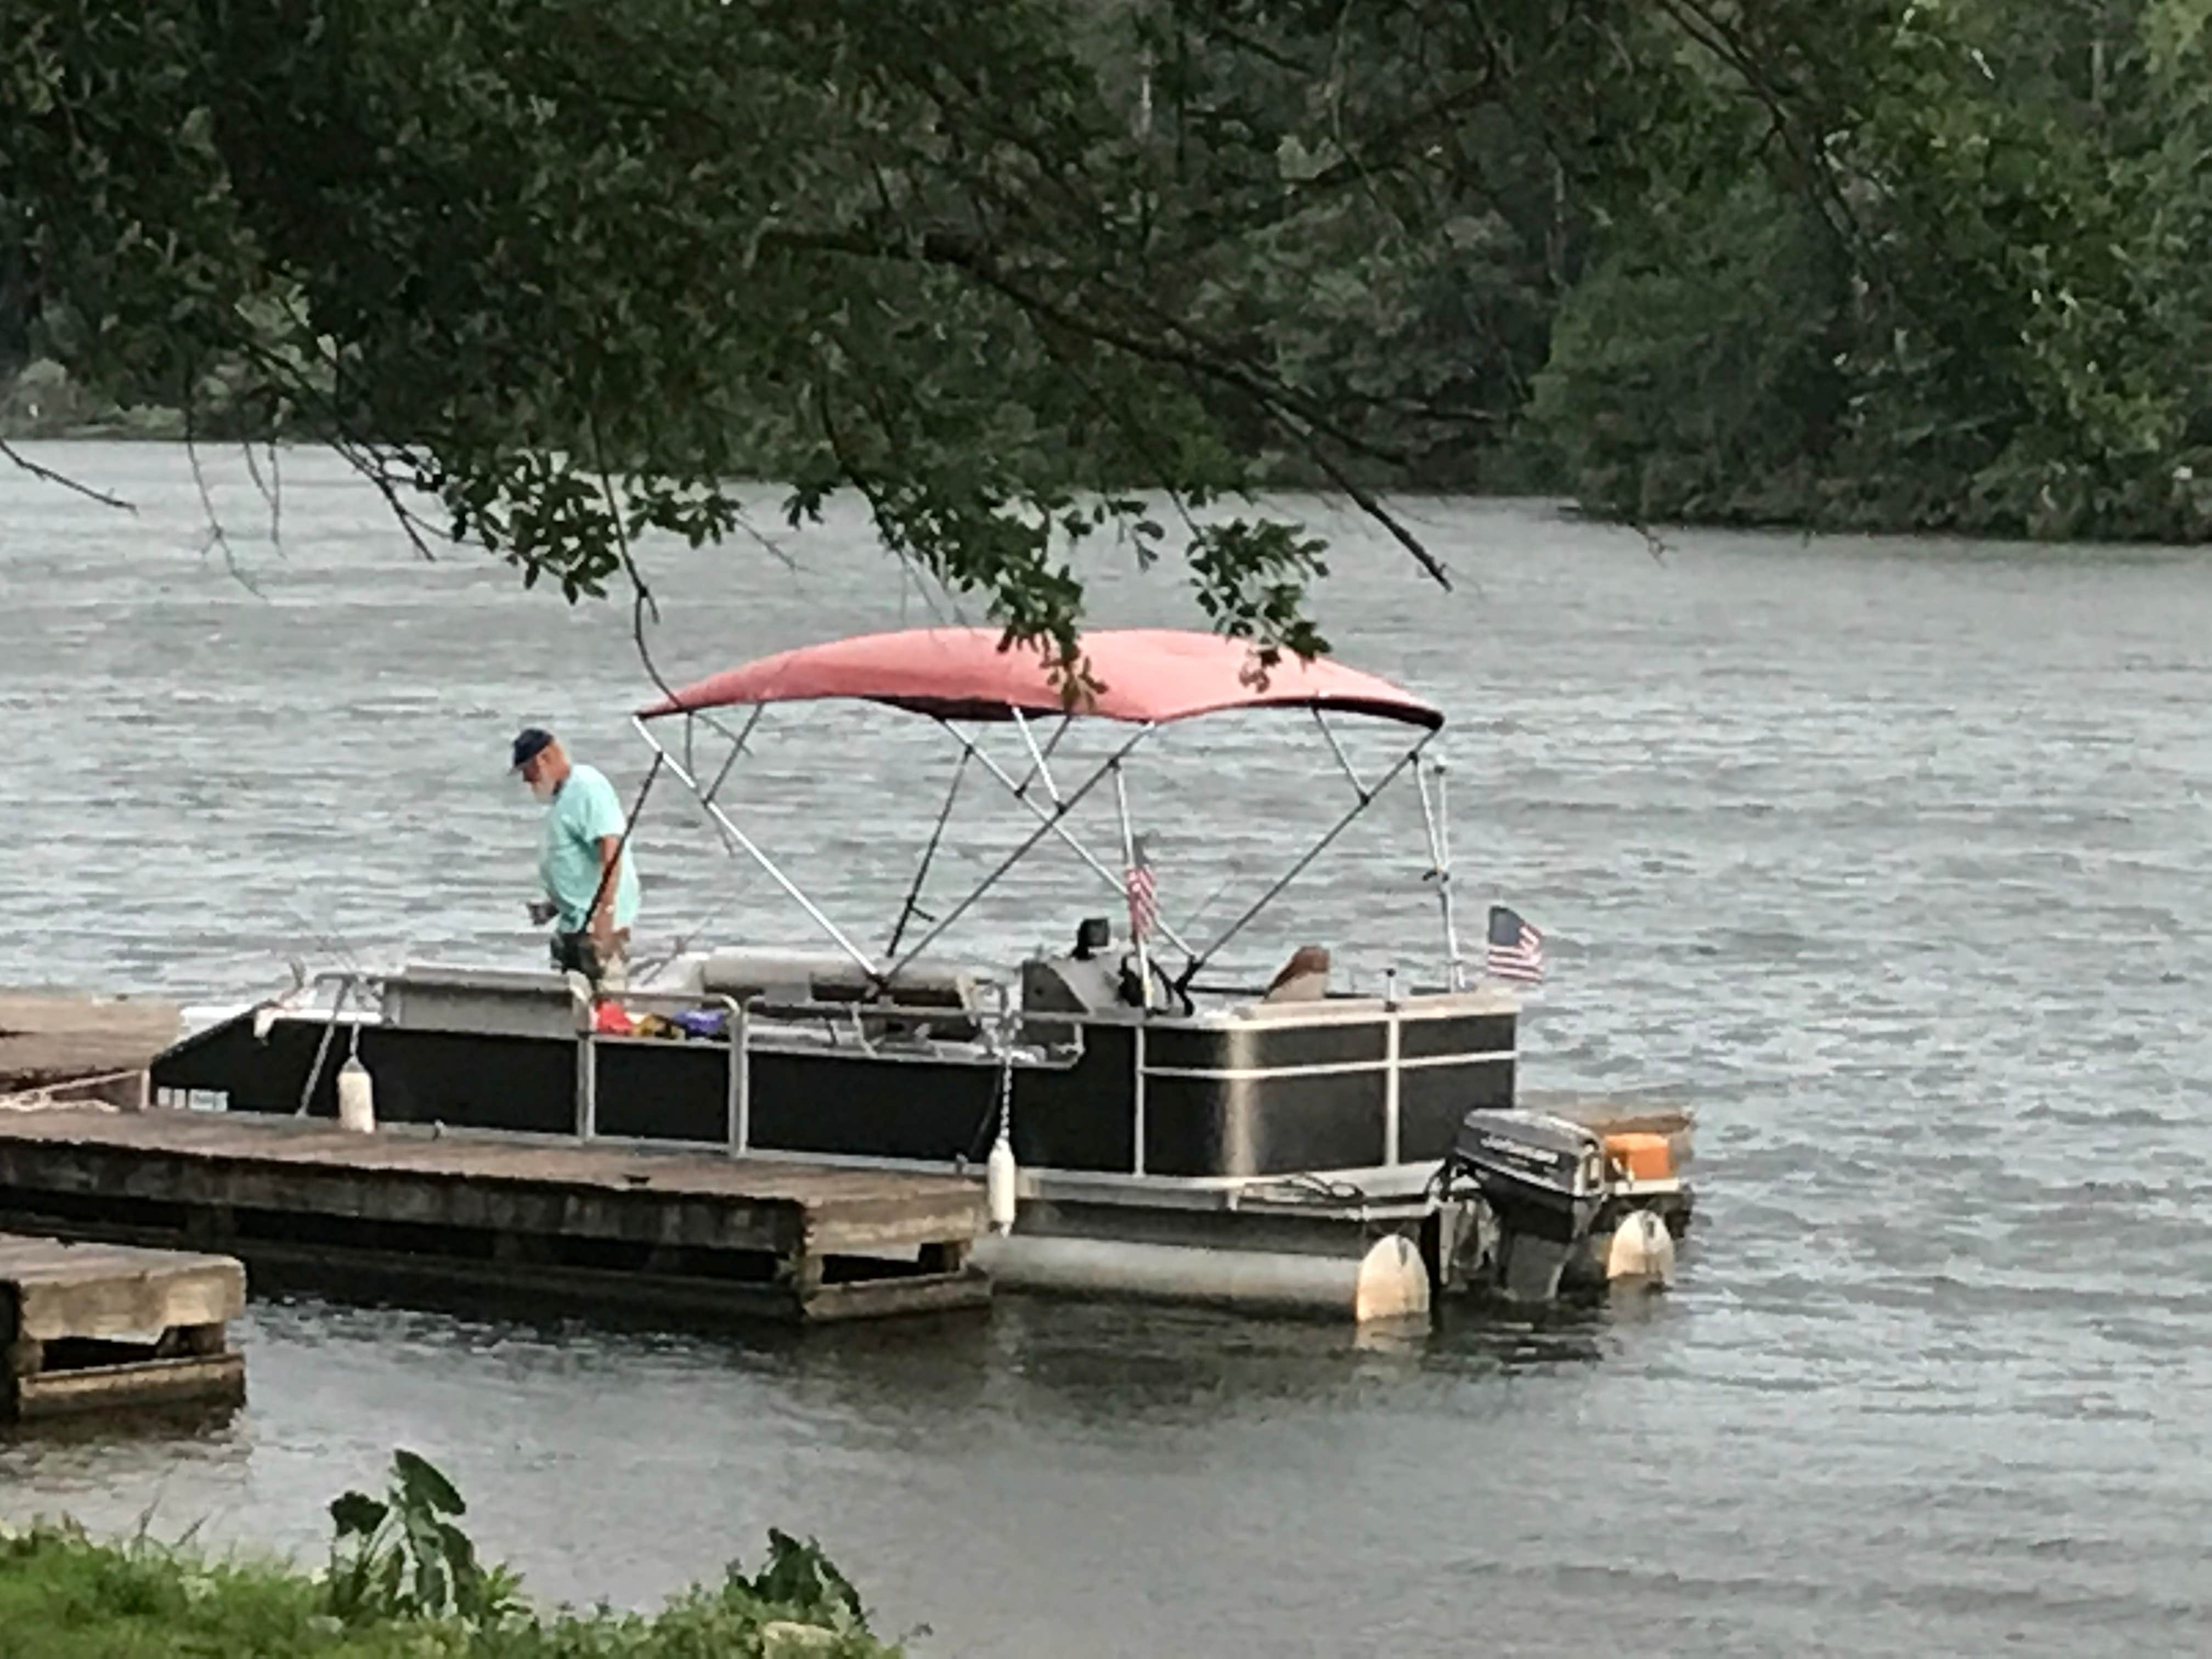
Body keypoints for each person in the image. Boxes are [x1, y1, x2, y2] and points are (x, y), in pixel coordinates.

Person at [511, 727, 640, 990]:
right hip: (574, 924)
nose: (526, 780)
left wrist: (607, 912)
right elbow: (577, 864)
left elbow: (610, 846)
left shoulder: (586, 786)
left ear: (545, 759)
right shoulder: (562, 797)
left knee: (605, 1000)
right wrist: (553, 905)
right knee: (571, 1006)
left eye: (528, 770)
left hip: (598, 927)